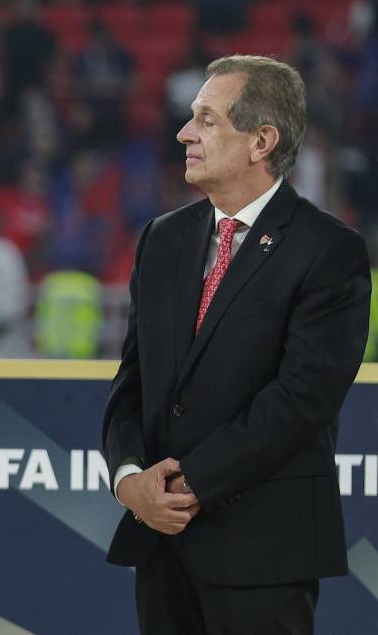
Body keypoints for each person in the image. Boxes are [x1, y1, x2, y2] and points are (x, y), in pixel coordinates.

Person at [102, 55, 371, 634]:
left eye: (206, 119)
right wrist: (130, 480)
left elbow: (302, 398)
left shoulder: (329, 250)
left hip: (264, 552)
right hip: (162, 544)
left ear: (261, 141)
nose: (184, 133)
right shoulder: (162, 238)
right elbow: (134, 381)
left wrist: (187, 483)